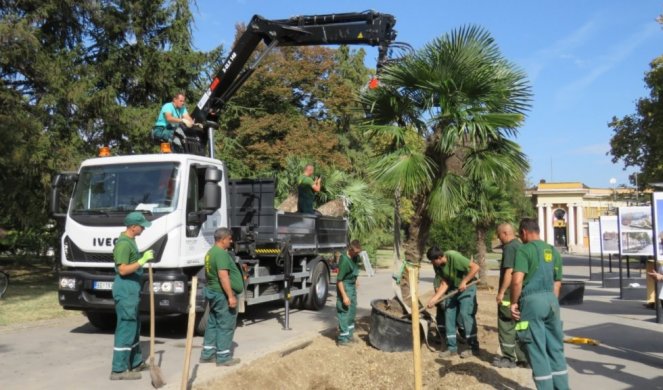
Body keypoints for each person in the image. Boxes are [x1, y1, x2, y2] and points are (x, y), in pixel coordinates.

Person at [510, 218, 568, 390]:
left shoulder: (524, 250)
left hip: (531, 302)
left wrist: (513, 303)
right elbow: (557, 282)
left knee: (537, 351)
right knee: (555, 349)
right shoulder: (553, 250)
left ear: (524, 232)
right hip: (551, 301)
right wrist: (552, 302)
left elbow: (517, 281)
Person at [110, 212, 154, 380]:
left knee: (135, 327)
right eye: (141, 226)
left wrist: (142, 260)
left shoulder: (131, 241)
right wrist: (142, 261)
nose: (143, 228)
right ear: (133, 227)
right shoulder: (123, 244)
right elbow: (122, 270)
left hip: (132, 289)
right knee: (126, 328)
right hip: (125, 290)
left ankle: (135, 363)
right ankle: (119, 370)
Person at [426, 247, 480, 358]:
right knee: (449, 314)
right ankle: (452, 348)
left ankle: (473, 347)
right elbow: (445, 282)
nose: (432, 263)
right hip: (453, 289)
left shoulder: (453, 257)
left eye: (433, 261)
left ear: (439, 257)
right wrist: (435, 298)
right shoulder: (437, 265)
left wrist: (464, 281)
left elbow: (475, 267)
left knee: (465, 314)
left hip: (467, 288)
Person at [200, 228, 243, 366]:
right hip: (222, 295)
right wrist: (230, 296)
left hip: (213, 292)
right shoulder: (221, 254)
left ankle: (207, 354)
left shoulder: (210, 253)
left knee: (213, 323)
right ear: (223, 239)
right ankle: (223, 357)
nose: (231, 241)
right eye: (229, 239)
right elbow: (223, 276)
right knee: (226, 325)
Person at [493, 223, 528, 369]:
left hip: (509, 294)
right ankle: (524, 359)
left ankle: (508, 357)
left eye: (499, 235)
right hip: (521, 292)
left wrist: (501, 292)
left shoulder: (509, 248)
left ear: (505, 233)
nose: (499, 239)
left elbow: (509, 272)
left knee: (506, 323)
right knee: (520, 324)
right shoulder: (520, 246)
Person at [336, 240, 362, 346]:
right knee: (344, 312)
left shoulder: (355, 257)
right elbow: (339, 281)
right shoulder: (344, 260)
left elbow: (355, 269)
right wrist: (344, 296)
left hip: (352, 287)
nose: (357, 254)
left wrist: (355, 279)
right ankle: (342, 339)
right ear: (350, 250)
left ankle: (350, 335)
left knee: (352, 311)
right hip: (345, 287)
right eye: (356, 252)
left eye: (358, 252)